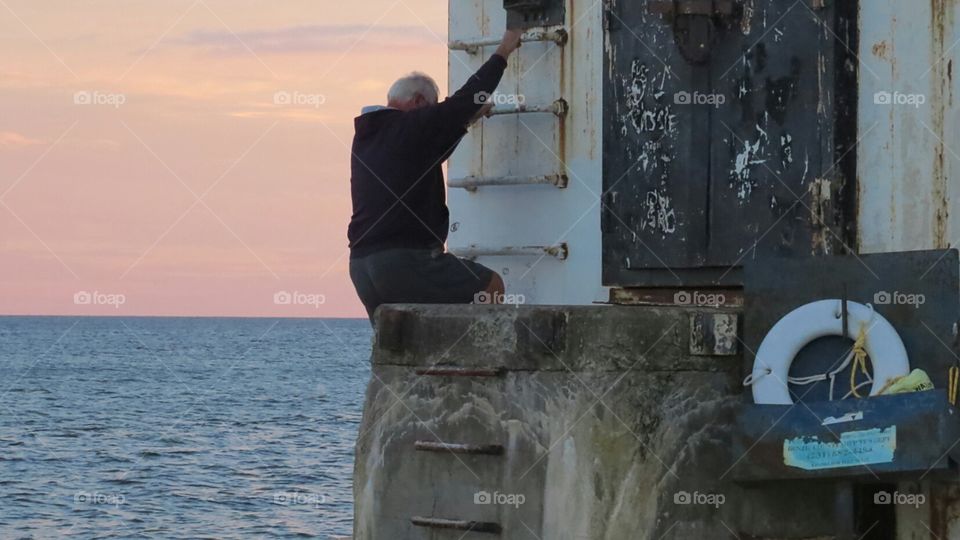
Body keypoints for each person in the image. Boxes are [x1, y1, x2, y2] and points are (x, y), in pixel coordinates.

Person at [347, 30, 523, 323]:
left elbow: (427, 154)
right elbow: (467, 97)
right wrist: (503, 51)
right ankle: (473, 361)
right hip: (404, 259)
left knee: (400, 338)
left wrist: (467, 121)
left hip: (362, 268)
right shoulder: (413, 124)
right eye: (433, 106)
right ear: (418, 102)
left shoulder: (369, 136)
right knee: (490, 288)